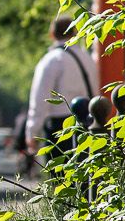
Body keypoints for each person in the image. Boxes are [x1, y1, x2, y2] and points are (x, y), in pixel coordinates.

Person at [23, 13, 96, 159]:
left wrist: (32, 132)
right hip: (87, 123)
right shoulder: (88, 58)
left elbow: (40, 98)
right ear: (74, 32)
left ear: (51, 34)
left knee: (60, 177)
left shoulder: (51, 60)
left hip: (59, 128)